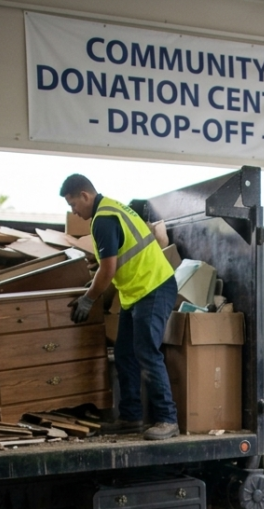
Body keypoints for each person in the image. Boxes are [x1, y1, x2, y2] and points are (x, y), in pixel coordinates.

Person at [60, 174, 180, 440]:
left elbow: (108, 269)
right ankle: (131, 417)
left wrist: (89, 299)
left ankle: (167, 420)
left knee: (147, 352)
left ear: (85, 195)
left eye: (73, 205)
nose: (73, 212)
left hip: (153, 287)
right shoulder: (111, 207)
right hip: (137, 291)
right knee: (125, 353)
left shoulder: (104, 219)